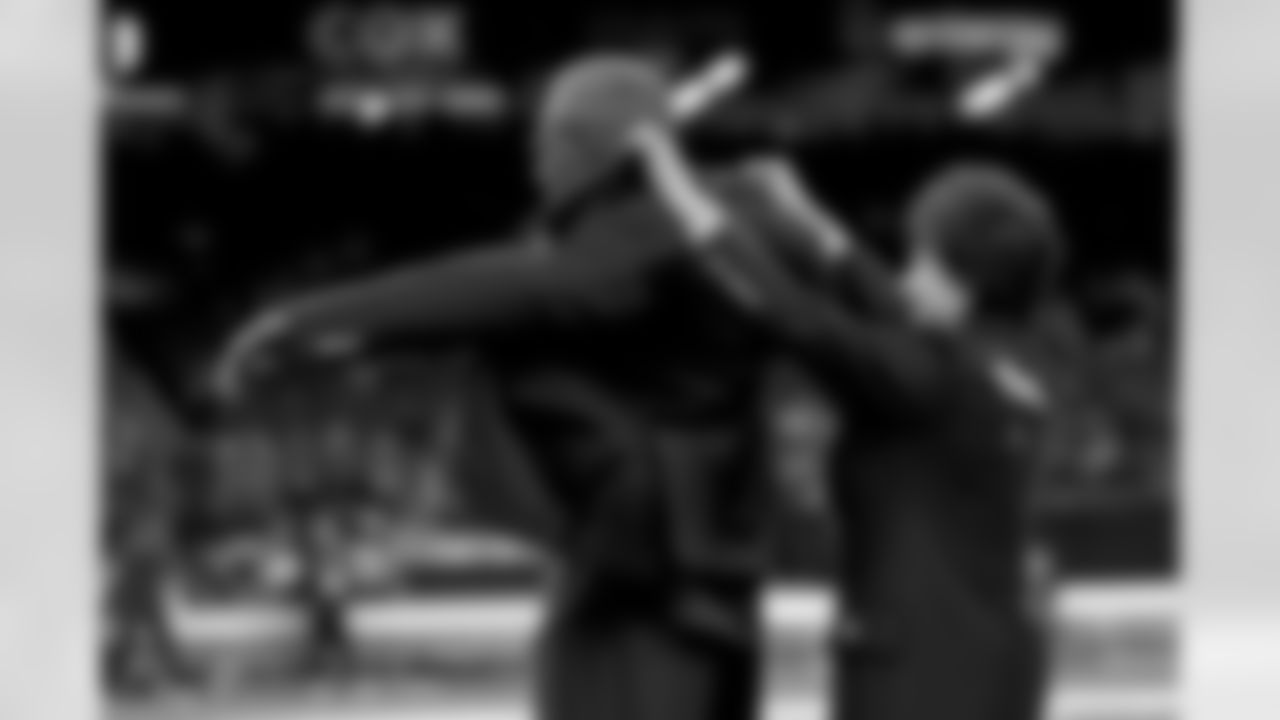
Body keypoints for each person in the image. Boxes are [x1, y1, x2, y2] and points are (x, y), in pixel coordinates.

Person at [212, 54, 847, 720]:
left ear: (599, 149)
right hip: (712, 564)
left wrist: (302, 321)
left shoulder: (640, 235)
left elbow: (512, 286)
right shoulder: (723, 221)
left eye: (549, 140)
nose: (534, 162)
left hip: (645, 583)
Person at [670, 161, 1066, 720]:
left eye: (922, 263)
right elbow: (889, 301)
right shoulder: (1017, 368)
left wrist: (685, 204)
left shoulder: (929, 376)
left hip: (914, 672)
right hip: (998, 662)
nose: (907, 278)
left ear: (965, 283)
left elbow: (797, 317)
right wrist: (809, 218)